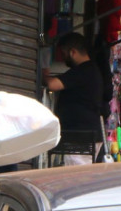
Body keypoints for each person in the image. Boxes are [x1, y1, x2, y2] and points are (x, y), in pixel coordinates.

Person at [42, 33, 103, 166]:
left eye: (64, 54)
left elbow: (53, 85)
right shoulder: (89, 70)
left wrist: (44, 74)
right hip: (85, 135)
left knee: (77, 178)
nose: (64, 59)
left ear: (73, 52)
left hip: (81, 137)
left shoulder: (84, 71)